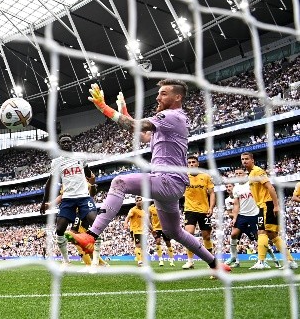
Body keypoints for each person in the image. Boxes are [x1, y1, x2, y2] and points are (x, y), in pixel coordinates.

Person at [66, 81, 230, 276]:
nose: (158, 97)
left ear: (177, 97)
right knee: (174, 232)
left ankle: (91, 235)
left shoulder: (171, 116)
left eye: (163, 94)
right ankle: (215, 264)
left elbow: (135, 125)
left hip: (168, 181)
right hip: (169, 185)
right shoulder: (168, 123)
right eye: (158, 93)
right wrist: (124, 111)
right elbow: (141, 133)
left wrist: (103, 107)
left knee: (119, 182)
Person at [39, 133, 97, 266]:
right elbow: (49, 184)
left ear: (72, 143)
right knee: (59, 230)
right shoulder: (56, 162)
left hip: (83, 197)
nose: (66, 144)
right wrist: (44, 202)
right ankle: (66, 261)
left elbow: (89, 173)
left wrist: (92, 181)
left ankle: (96, 260)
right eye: (63, 142)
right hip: (68, 199)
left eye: (68, 142)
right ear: (60, 145)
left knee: (95, 223)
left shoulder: (81, 157)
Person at [241, 152, 297, 269]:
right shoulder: (251, 174)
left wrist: (276, 205)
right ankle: (290, 261)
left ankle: (261, 262)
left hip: (267, 204)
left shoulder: (257, 171)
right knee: (272, 235)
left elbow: (270, 187)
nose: (244, 161)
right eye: (242, 159)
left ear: (252, 160)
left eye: (247, 159)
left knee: (261, 232)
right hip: (263, 205)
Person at [224, 167, 280, 268]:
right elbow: (236, 205)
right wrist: (235, 218)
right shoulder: (236, 188)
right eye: (236, 174)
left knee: (260, 238)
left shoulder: (251, 184)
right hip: (242, 215)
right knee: (233, 234)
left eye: (240, 173)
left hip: (255, 214)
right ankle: (233, 256)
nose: (238, 175)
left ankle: (272, 258)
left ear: (245, 174)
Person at [181, 155, 215, 269]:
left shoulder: (206, 177)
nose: (191, 164)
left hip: (204, 210)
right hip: (189, 209)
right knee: (188, 234)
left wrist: (211, 207)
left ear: (197, 164)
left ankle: (211, 260)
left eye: (193, 162)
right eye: (189, 162)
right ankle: (190, 261)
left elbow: (212, 193)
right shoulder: (184, 177)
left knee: (206, 236)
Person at [148, 201, 175, 267]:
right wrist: (152, 227)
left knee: (168, 243)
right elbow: (148, 218)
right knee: (158, 241)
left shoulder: (164, 205)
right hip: (156, 228)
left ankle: (171, 260)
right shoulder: (150, 208)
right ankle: (160, 260)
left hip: (165, 228)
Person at [124, 196, 146, 266]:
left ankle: (141, 260)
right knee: (138, 245)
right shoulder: (133, 210)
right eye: (137, 200)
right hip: (135, 230)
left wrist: (152, 230)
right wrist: (125, 223)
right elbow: (128, 217)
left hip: (142, 231)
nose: (139, 201)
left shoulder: (143, 212)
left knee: (142, 247)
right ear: (135, 202)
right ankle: (139, 261)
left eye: (140, 200)